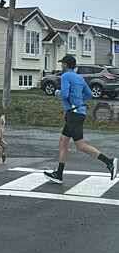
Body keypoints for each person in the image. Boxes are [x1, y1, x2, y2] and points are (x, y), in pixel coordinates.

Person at [44, 55, 117, 183]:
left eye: (62, 64)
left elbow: (65, 94)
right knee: (63, 141)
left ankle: (110, 162)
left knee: (81, 146)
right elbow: (89, 94)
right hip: (75, 113)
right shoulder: (79, 78)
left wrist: (56, 93)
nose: (61, 66)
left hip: (74, 115)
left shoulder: (66, 76)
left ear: (65, 65)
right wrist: (78, 101)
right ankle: (59, 174)